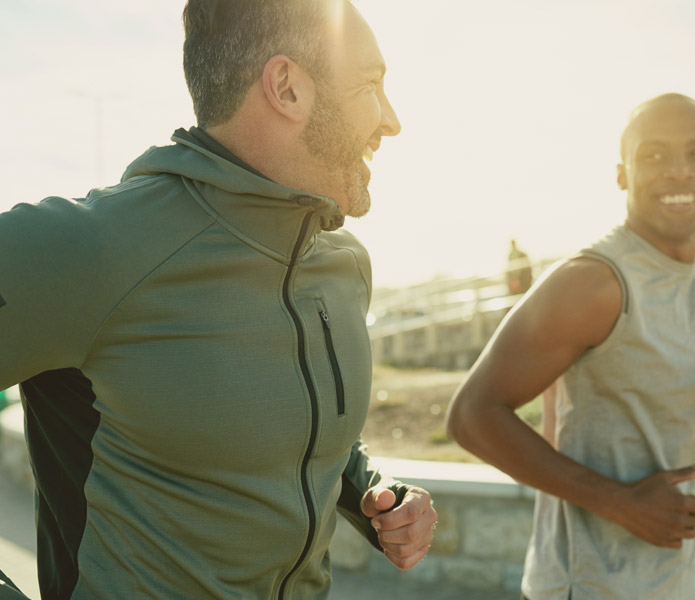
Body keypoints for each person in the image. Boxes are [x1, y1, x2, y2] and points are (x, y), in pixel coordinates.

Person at [0, 1, 437, 598]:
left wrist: (376, 494)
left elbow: (300, 429)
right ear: (286, 87)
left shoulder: (343, 265)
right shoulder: (92, 247)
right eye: (370, 86)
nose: (392, 120)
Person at [446, 93, 695, 600]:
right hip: (584, 586)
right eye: (653, 155)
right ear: (622, 174)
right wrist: (619, 502)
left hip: (674, 584)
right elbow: (471, 416)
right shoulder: (596, 282)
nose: (679, 172)